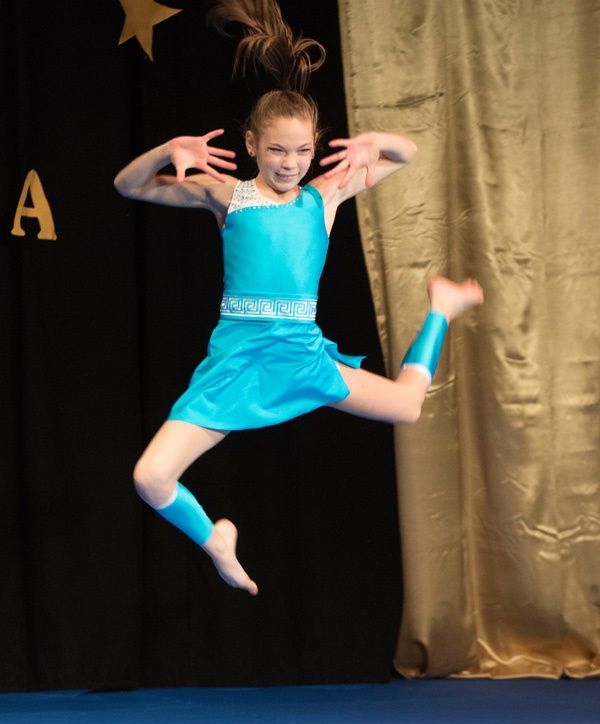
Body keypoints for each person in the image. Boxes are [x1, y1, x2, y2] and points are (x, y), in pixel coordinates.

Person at [114, 0, 483, 596]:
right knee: (151, 477)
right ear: (251, 143)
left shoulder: (324, 195)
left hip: (301, 354)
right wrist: (167, 150)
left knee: (409, 406)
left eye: (302, 151)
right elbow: (127, 185)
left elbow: (406, 154)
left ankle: (440, 306)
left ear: (316, 148)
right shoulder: (226, 195)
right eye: (277, 150)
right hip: (238, 360)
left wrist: (377, 141)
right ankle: (215, 541)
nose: (290, 164)